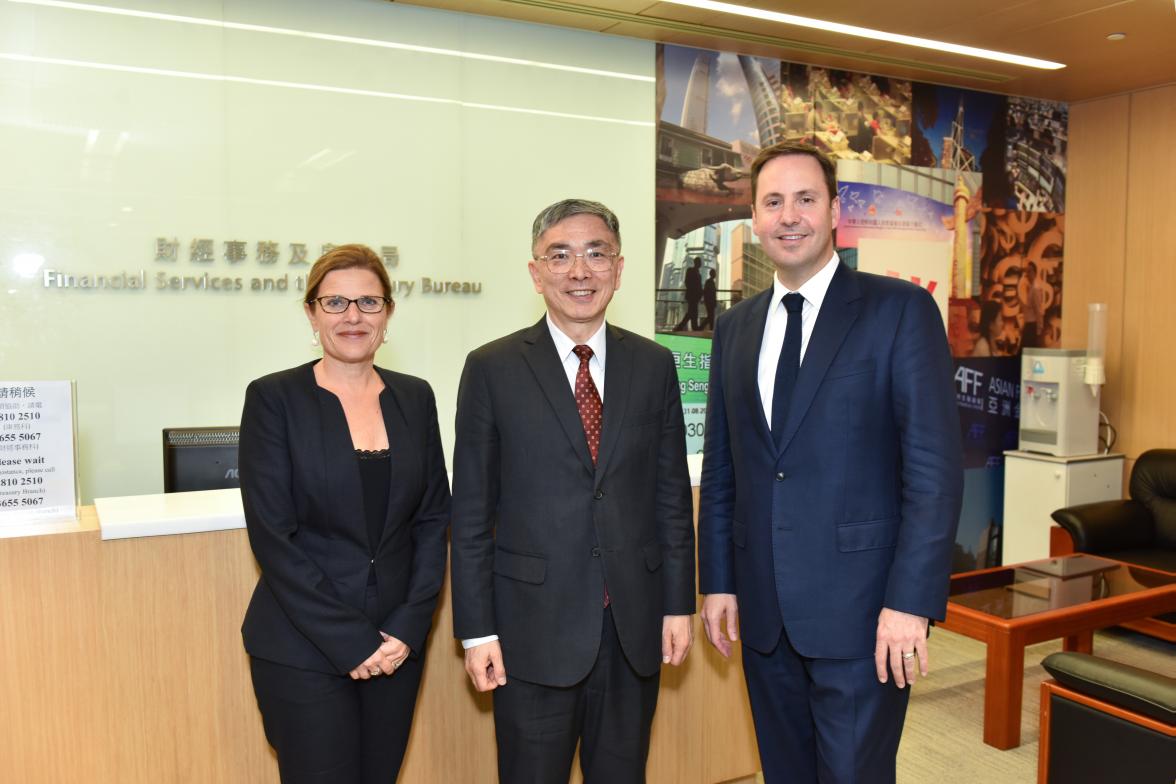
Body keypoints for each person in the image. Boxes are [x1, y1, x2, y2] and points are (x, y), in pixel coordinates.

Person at [697, 143, 963, 784]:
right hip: (764, 616)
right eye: (773, 201)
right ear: (755, 217)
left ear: (835, 210)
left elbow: (932, 472)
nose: (790, 216)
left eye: (806, 198)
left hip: (865, 614)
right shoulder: (735, 328)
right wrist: (720, 581)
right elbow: (726, 470)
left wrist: (910, 603)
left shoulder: (898, 311)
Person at [451, 198, 696, 783]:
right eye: (560, 256)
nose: (579, 272)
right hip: (530, 629)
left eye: (595, 254)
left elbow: (669, 496)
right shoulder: (492, 368)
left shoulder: (654, 363)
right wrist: (477, 630)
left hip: (632, 625)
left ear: (619, 267)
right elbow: (471, 513)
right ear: (536, 272)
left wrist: (677, 602)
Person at [239, 244, 450, 783]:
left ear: (388, 314)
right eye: (335, 303)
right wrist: (350, 641)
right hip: (303, 645)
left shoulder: (415, 397)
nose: (353, 317)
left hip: (396, 648)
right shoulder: (273, 399)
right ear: (311, 313)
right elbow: (273, 537)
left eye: (368, 302)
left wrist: (408, 626)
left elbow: (431, 522)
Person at [674, 256, 704, 332]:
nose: (700, 264)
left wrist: (700, 294)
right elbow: (687, 282)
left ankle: (692, 327)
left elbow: (700, 286)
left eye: (700, 263)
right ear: (696, 263)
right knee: (692, 312)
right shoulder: (690, 270)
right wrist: (693, 291)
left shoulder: (699, 275)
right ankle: (691, 327)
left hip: (696, 297)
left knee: (692, 312)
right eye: (699, 262)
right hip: (692, 296)